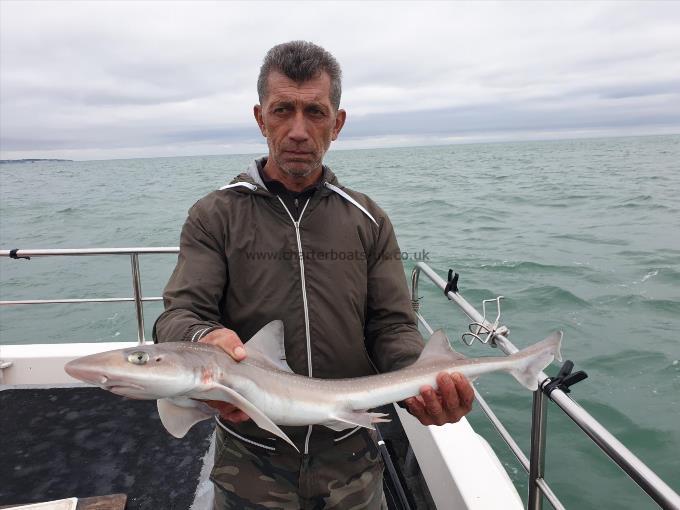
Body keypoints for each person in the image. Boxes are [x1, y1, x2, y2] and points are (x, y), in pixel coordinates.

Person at [153, 40, 474, 510]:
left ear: (337, 123)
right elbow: (178, 316)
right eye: (283, 110)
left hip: (352, 457)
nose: (298, 130)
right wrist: (205, 338)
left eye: (316, 112)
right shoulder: (214, 215)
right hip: (250, 459)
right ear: (261, 118)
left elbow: (392, 326)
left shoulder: (368, 220)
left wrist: (418, 380)